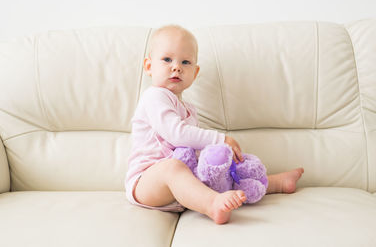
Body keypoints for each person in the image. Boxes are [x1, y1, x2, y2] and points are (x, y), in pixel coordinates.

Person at [125, 24, 304, 224]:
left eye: (186, 62)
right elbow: (177, 134)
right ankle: (212, 204)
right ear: (149, 66)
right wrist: (221, 139)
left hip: (181, 185)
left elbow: (192, 147)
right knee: (172, 167)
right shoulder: (154, 97)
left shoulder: (189, 109)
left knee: (218, 168)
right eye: (167, 59)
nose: (176, 67)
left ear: (195, 72)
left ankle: (274, 183)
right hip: (147, 183)